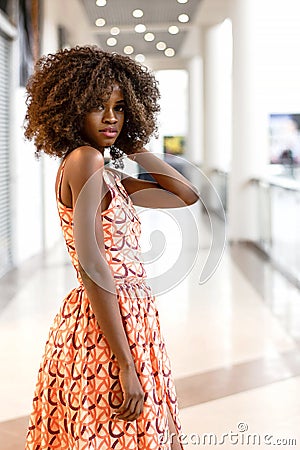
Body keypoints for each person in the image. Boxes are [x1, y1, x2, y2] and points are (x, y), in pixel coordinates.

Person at [24, 45, 198, 450]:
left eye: (120, 108)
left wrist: (134, 144)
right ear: (71, 110)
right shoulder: (85, 160)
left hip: (130, 316)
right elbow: (93, 266)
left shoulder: (107, 172)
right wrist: (124, 363)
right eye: (98, 107)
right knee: (113, 434)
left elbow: (185, 194)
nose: (110, 118)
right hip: (105, 323)